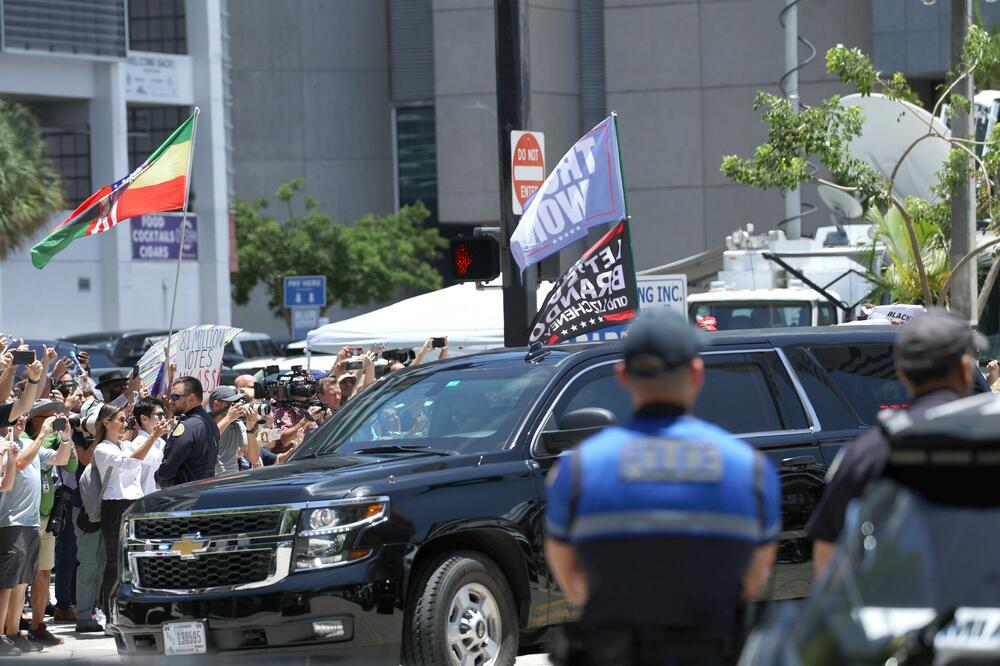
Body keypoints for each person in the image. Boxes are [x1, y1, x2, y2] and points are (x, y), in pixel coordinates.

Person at [544, 311, 781, 666]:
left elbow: (571, 580)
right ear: (697, 374)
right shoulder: (752, 471)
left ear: (622, 376)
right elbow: (755, 577)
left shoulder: (576, 471)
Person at [807, 308, 983, 576]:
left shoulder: (866, 452)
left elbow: (828, 558)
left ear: (900, 371)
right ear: (965, 369)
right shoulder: (989, 437)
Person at [0, 395, 73, 655]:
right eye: (16, 415)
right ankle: (3, 635)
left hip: (31, 521)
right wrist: (42, 435)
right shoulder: (5, 444)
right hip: (11, 522)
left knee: (20, 584)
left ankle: (12, 633)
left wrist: (66, 438)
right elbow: (19, 463)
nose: (21, 418)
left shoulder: (28, 443)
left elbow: (61, 460)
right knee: (7, 584)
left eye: (23, 414)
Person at [92, 404, 165, 624]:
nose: (125, 424)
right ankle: (110, 615)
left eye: (126, 420)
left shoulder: (124, 446)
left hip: (134, 503)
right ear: (106, 422)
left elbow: (139, 460)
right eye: (121, 420)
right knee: (115, 563)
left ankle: (137, 610)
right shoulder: (102, 449)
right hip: (115, 507)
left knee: (137, 559)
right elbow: (130, 462)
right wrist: (152, 437)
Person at [24, 399, 78, 642]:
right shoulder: (28, 441)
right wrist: (49, 435)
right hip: (25, 518)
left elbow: (70, 463)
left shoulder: (55, 440)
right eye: (51, 416)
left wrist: (67, 437)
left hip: (46, 515)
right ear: (36, 420)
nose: (57, 419)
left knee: (43, 573)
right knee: (18, 578)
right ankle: (11, 625)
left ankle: (38, 624)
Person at [70, 399, 106, 633]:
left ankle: (95, 608)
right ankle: (83, 615)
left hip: (105, 505)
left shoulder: (112, 438)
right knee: (89, 563)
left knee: (102, 563)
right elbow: (84, 460)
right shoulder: (76, 435)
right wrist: (99, 436)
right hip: (83, 507)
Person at [156, 377, 219, 486]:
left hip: (185, 494)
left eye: (175, 397)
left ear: (191, 398)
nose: (171, 401)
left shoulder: (187, 426)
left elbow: (170, 466)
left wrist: (158, 477)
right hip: (205, 489)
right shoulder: (209, 421)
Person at [208, 386, 261, 474]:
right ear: (216, 404)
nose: (236, 406)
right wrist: (228, 419)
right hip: (210, 480)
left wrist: (250, 428)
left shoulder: (237, 424)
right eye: (231, 404)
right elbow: (207, 440)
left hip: (231, 478)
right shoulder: (203, 423)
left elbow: (254, 459)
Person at [127, 398, 167, 496]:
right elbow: (159, 459)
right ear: (144, 419)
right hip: (145, 500)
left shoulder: (161, 442)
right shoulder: (138, 443)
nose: (164, 419)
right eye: (159, 415)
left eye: (164, 414)